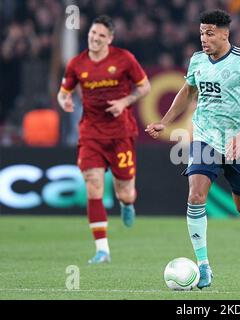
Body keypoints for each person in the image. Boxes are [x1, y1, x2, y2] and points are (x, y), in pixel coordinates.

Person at [146, 9, 240, 289]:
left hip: (239, 143)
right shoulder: (197, 60)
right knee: (196, 196)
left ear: (224, 34)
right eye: (201, 33)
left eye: (209, 33)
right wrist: (165, 122)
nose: (203, 39)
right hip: (205, 138)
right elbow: (187, 91)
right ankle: (204, 266)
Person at [57, 15, 151, 264]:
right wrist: (64, 100)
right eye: (92, 33)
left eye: (100, 35)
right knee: (93, 186)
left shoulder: (124, 59)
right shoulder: (76, 64)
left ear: (110, 39)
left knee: (125, 192)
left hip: (121, 134)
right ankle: (102, 250)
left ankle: (127, 204)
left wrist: (124, 102)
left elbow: (145, 87)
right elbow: (63, 91)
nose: (95, 38)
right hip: (91, 134)